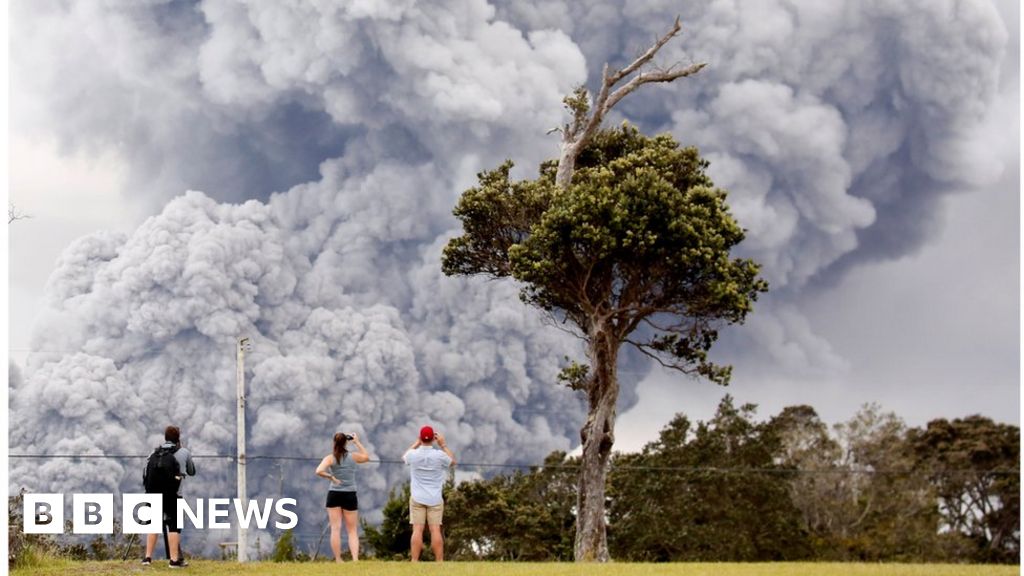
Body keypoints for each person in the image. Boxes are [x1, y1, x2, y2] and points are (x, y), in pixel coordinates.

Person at [143, 425, 196, 568]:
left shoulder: (154, 453)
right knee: (174, 527)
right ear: (178, 438)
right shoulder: (184, 452)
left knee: (153, 525)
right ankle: (174, 560)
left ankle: (147, 558)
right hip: (174, 495)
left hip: (153, 494)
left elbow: (145, 473)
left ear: (165, 438)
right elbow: (192, 471)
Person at [402, 425, 455, 562]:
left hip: (417, 498)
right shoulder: (439, 455)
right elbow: (452, 462)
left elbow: (405, 457)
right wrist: (443, 445)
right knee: (435, 530)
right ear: (433, 438)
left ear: (420, 438)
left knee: (417, 530)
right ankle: (439, 562)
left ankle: (414, 561)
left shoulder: (413, 455)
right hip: (435, 499)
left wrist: (417, 443)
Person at [315, 432, 371, 562]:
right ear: (346, 442)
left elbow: (318, 471)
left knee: (335, 528)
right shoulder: (353, 457)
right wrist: (357, 442)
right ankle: (355, 559)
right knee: (352, 530)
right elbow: (367, 457)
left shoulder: (330, 458)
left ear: (334, 442)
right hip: (349, 494)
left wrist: (331, 477)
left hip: (334, 494)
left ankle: (338, 559)